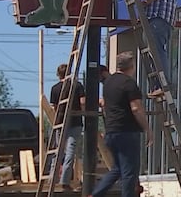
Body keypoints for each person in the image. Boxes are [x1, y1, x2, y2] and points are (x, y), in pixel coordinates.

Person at [90, 52, 153, 197]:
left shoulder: (108, 84)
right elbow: (136, 108)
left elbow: (105, 107)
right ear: (132, 66)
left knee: (117, 169)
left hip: (111, 131)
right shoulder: (129, 83)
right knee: (129, 173)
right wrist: (147, 129)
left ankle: (96, 194)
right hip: (127, 131)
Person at [141, 0, 177, 95]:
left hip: (158, 18)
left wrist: (147, 1)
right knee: (153, 50)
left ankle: (163, 84)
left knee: (156, 50)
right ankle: (159, 84)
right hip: (160, 20)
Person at [49, 63, 86, 191]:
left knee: (57, 151)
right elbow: (82, 102)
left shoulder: (54, 88)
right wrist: (84, 114)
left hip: (60, 123)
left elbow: (54, 107)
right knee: (70, 151)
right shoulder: (77, 85)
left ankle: (51, 179)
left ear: (58, 74)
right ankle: (65, 182)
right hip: (75, 122)